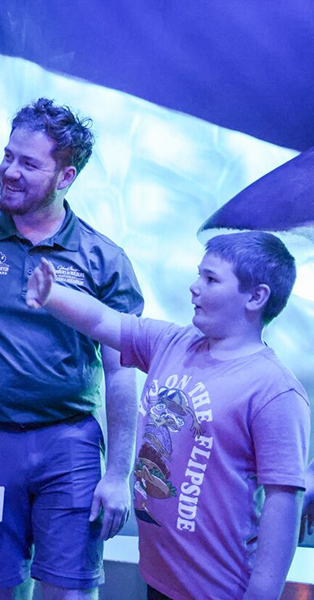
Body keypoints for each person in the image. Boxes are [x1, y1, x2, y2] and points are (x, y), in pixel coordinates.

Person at [0, 98, 144, 600]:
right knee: (1, 588)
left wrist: (119, 473)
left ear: (66, 176)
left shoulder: (105, 260)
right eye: (8, 156)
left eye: (29, 163)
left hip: (70, 445)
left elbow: (122, 372)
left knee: (69, 592)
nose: (10, 171)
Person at [26, 231, 310, 599]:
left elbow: (283, 503)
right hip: (160, 579)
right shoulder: (173, 343)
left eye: (211, 279)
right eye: (199, 275)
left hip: (219, 589)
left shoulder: (274, 390)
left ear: (256, 297)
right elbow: (103, 321)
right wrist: (52, 295)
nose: (195, 287)